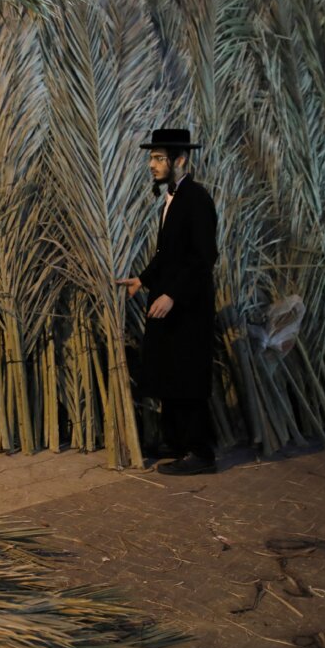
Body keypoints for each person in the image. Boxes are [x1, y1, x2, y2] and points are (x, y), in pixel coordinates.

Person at [116, 128, 219, 476]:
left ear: (180, 160)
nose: (152, 165)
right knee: (170, 372)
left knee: (188, 374)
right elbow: (167, 254)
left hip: (188, 306)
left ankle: (200, 453)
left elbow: (204, 258)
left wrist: (173, 294)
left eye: (159, 158)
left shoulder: (196, 199)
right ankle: (176, 442)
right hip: (169, 302)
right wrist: (143, 280)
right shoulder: (172, 199)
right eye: (151, 158)